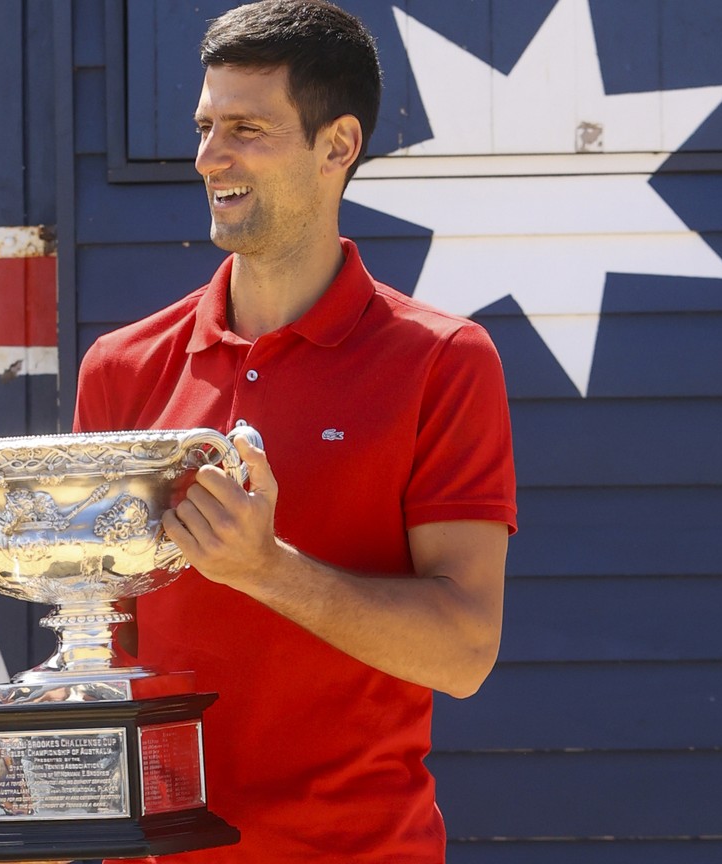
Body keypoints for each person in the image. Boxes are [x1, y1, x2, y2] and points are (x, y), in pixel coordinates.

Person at [72, 2, 517, 862]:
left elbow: (464, 651)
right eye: (206, 126)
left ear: (337, 145)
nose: (210, 157)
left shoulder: (444, 362)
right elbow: (104, 639)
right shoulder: (120, 369)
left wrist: (266, 570)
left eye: (248, 128)